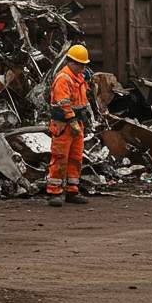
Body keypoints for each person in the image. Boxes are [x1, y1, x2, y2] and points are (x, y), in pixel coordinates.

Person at [47, 44, 91, 207]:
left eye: (84, 64)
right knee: (60, 158)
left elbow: (81, 102)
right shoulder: (63, 78)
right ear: (71, 62)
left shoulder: (79, 78)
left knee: (75, 158)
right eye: (80, 64)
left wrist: (83, 119)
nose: (83, 67)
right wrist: (72, 120)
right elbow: (63, 103)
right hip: (63, 125)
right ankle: (54, 191)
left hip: (75, 123)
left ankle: (72, 190)